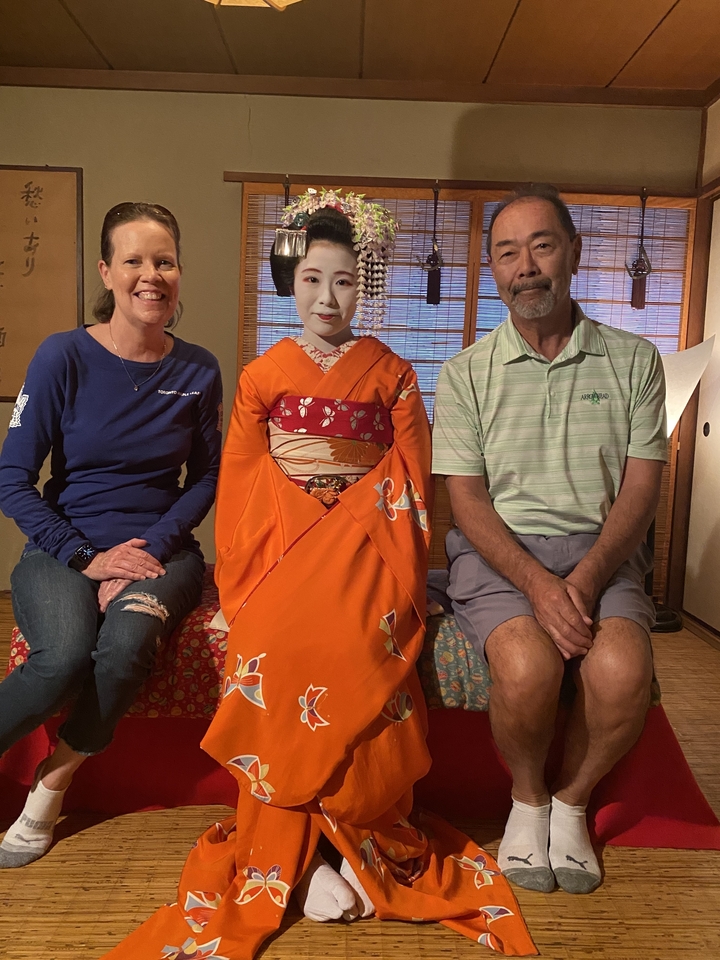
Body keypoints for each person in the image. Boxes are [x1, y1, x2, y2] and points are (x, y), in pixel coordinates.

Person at [102, 191, 536, 959]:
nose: (326, 298)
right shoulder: (266, 374)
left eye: (342, 281)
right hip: (284, 547)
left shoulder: (394, 374)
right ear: (290, 283)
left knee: (364, 654)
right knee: (272, 649)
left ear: (359, 288)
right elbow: (241, 480)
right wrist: (249, 575)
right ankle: (299, 857)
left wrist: (367, 535)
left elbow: (410, 473)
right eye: (311, 279)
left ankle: (351, 848)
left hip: (370, 548)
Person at [432, 183, 667, 895]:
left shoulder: (633, 360)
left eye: (541, 245)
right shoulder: (465, 371)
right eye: (508, 253)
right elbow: (465, 501)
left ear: (573, 252)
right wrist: (537, 584)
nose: (525, 266)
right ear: (493, 271)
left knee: (622, 670)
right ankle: (527, 799)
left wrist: (588, 578)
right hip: (499, 552)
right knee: (529, 669)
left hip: (602, 549)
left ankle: (571, 802)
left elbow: (641, 489)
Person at [0, 201, 222, 868]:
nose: (151, 275)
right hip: (64, 547)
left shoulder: (199, 370)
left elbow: (208, 479)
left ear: (179, 272)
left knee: (124, 647)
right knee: (63, 658)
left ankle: (53, 781)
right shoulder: (62, 355)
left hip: (163, 552)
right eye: (134, 261)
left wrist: (147, 551)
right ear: (107, 270)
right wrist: (88, 559)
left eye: (164, 261)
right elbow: (12, 480)